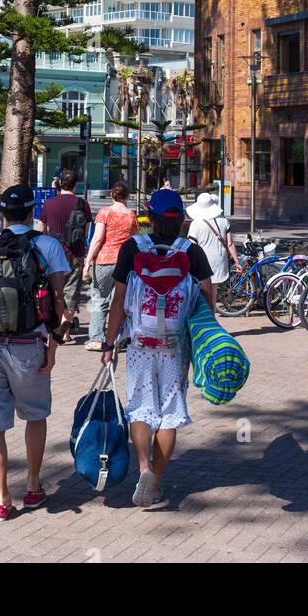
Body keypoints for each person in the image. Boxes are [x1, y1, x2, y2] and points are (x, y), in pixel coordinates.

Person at [0, 184, 69, 521]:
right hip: (29, 346)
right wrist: (53, 347)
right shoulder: (47, 246)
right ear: (31, 211)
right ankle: (34, 486)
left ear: (3, 213)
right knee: (35, 416)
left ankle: (0, 499)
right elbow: (58, 303)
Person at [102, 188, 213, 508]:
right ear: (180, 220)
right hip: (175, 346)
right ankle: (157, 484)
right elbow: (207, 299)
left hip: (140, 343)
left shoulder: (132, 248)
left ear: (149, 218)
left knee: (140, 408)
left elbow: (119, 302)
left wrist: (108, 344)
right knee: (169, 413)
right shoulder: (191, 252)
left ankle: (144, 469)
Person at [83, 181, 137, 351]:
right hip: (125, 262)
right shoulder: (131, 215)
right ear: (127, 196)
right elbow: (135, 239)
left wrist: (87, 262)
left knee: (100, 299)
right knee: (120, 301)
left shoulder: (104, 212)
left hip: (104, 260)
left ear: (112, 195)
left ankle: (97, 338)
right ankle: (119, 338)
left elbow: (98, 238)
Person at [39, 168, 90, 344]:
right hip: (75, 253)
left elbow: (40, 230)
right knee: (72, 294)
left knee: (54, 292)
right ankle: (65, 332)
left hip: (53, 254)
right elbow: (85, 231)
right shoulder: (82, 204)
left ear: (60, 184)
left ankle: (54, 329)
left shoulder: (49, 204)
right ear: (76, 185)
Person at [186, 190, 241, 308]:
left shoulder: (196, 224)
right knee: (213, 294)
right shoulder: (224, 221)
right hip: (219, 262)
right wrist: (237, 262)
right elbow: (230, 244)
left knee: (199, 295)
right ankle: (212, 316)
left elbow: (192, 246)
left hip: (202, 263)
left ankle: (205, 320)